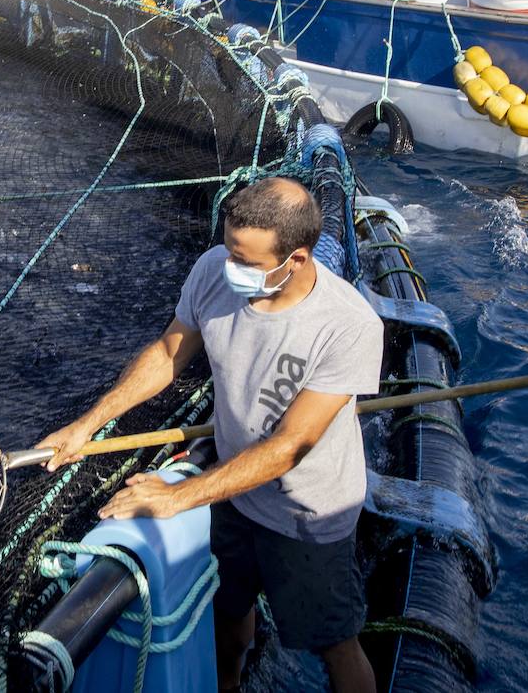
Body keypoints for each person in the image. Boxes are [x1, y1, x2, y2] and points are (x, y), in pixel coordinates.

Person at [37, 177, 381, 693]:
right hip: (232, 494)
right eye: (229, 251)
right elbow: (168, 354)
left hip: (306, 515)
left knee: (334, 644)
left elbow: (291, 446)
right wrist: (87, 425)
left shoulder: (349, 325)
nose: (231, 269)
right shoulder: (212, 272)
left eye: (247, 261)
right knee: (225, 612)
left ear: (299, 260)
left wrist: (177, 498)